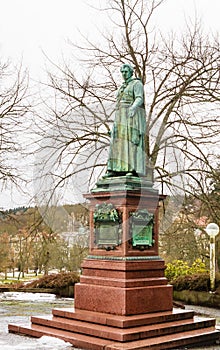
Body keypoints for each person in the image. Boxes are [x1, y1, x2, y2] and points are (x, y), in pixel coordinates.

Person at [106, 64, 146, 177]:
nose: (124, 74)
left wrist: (133, 107)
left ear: (131, 72)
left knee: (129, 142)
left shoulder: (136, 83)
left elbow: (139, 98)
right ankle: (115, 169)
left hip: (130, 116)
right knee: (118, 143)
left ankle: (131, 168)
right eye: (122, 72)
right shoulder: (121, 87)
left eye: (126, 71)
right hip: (120, 117)